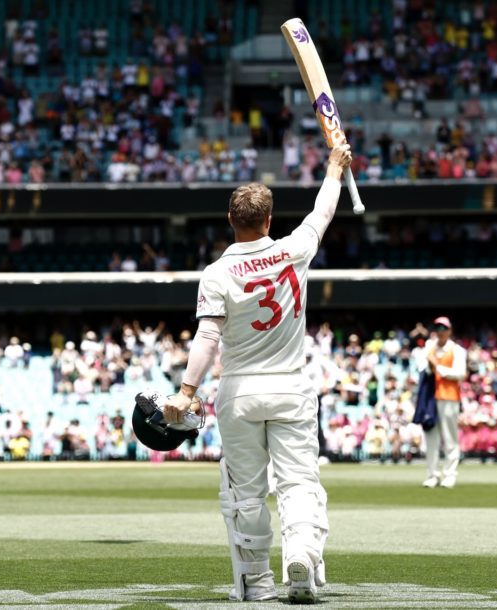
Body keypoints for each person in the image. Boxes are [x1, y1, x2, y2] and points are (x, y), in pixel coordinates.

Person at [163, 144, 352, 603]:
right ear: (269, 220)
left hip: (240, 391)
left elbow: (208, 337)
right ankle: (301, 556)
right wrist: (334, 168)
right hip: (291, 385)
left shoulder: (217, 273)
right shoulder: (293, 249)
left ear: (231, 219)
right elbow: (323, 211)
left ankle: (255, 583)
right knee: (299, 482)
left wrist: (187, 391)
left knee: (245, 492)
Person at [418, 316, 466, 489]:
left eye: (443, 329)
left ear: (450, 331)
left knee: (450, 437)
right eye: (437, 329)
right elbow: (422, 369)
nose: (440, 332)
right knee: (431, 437)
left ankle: (450, 474)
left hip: (449, 397)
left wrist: (437, 367)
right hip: (430, 397)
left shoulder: (457, 350)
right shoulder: (429, 348)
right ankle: (432, 474)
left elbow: (460, 373)